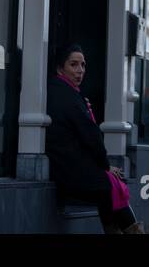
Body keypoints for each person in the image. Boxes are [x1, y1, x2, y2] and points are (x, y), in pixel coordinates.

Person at [45, 43, 143, 233]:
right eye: (73, 65)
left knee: (110, 187)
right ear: (60, 68)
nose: (80, 70)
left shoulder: (62, 92)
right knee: (112, 185)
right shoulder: (69, 97)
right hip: (68, 171)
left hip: (69, 166)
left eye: (83, 65)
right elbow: (92, 137)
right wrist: (106, 165)